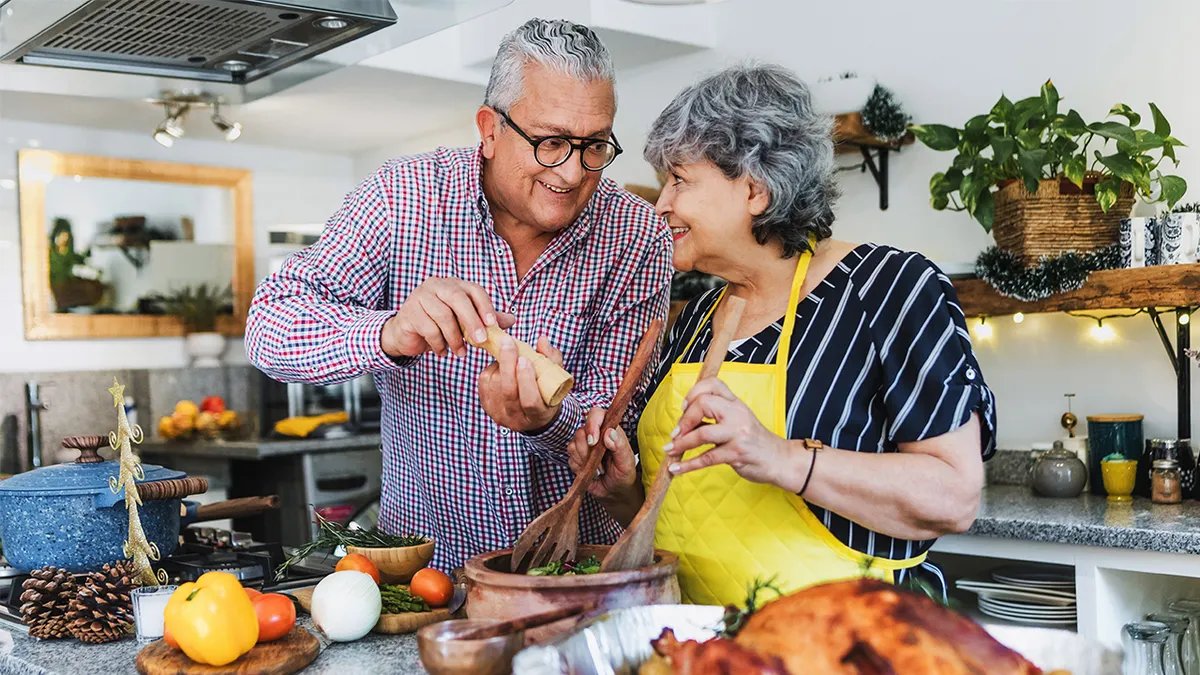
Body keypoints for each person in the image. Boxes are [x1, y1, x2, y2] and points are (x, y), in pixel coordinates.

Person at [246, 19, 673, 571]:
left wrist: (547, 422)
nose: (571, 172)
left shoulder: (636, 234)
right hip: (423, 577)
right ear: (490, 129)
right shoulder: (402, 197)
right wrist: (387, 333)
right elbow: (270, 328)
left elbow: (615, 426)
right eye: (551, 143)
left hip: (575, 568)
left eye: (593, 145)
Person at [569, 64, 996, 606]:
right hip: (702, 647)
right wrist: (625, 489)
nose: (663, 205)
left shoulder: (890, 289)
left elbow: (954, 496)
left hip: (847, 643)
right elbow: (689, 516)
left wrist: (783, 458)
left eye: (679, 179)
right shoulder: (700, 316)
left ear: (755, 188)